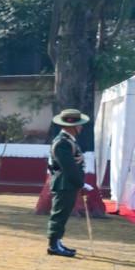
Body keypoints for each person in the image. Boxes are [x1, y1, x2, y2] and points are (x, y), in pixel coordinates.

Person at [46, 108, 92, 257]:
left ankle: (57, 241)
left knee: (63, 214)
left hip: (68, 183)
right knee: (59, 214)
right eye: (79, 124)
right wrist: (81, 184)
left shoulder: (68, 141)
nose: (81, 127)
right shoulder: (62, 143)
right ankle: (53, 245)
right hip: (64, 183)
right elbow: (68, 167)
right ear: (71, 126)